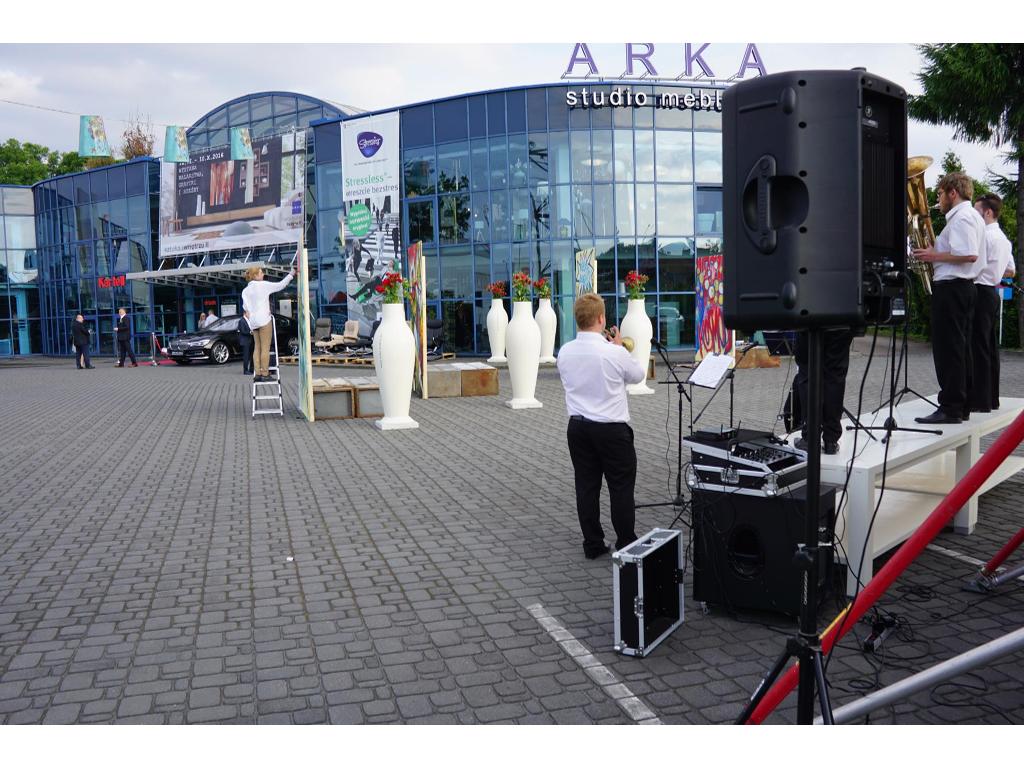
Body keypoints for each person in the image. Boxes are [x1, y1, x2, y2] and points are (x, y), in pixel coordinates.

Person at [556, 293, 646, 559]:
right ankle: (626, 542)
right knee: (620, 487)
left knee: (586, 486)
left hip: (578, 427)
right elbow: (638, 374)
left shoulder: (565, 351)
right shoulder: (613, 351)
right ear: (601, 318)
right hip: (611, 429)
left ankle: (593, 544)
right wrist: (620, 347)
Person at [913, 172, 987, 425]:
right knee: (960, 347)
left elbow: (969, 255)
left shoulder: (963, 218)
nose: (939, 198)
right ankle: (961, 404)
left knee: (949, 349)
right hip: (961, 287)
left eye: (941, 193)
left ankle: (951, 406)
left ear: (952, 192)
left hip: (953, 288)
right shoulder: (967, 216)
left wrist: (934, 256)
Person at [971, 193, 1016, 412]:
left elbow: (971, 264)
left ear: (988, 212)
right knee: (989, 347)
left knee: (977, 347)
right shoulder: (1003, 239)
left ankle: (979, 400)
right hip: (992, 291)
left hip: (979, 290)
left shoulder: (984, 237)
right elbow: (1012, 270)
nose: (974, 215)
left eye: (977, 211)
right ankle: (991, 398)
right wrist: (995, 271)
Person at [792, 329, 854, 455]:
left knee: (807, 372)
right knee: (835, 376)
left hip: (808, 318)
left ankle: (810, 438)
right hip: (842, 319)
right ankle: (830, 440)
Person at [242, 264, 296, 382]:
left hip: (253, 321)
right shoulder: (263, 285)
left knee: (257, 347)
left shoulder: (245, 291)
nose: (263, 274)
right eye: (261, 273)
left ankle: (257, 374)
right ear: (255, 275)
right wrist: (291, 274)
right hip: (264, 320)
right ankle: (265, 374)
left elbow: (246, 308)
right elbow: (280, 285)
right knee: (265, 348)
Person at [238, 310, 254, 375]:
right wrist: (250, 332)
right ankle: (245, 370)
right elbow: (243, 331)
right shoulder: (241, 321)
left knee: (251, 355)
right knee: (246, 356)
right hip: (245, 341)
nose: (250, 314)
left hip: (250, 340)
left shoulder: (248, 320)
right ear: (245, 313)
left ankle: (251, 369)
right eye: (248, 313)